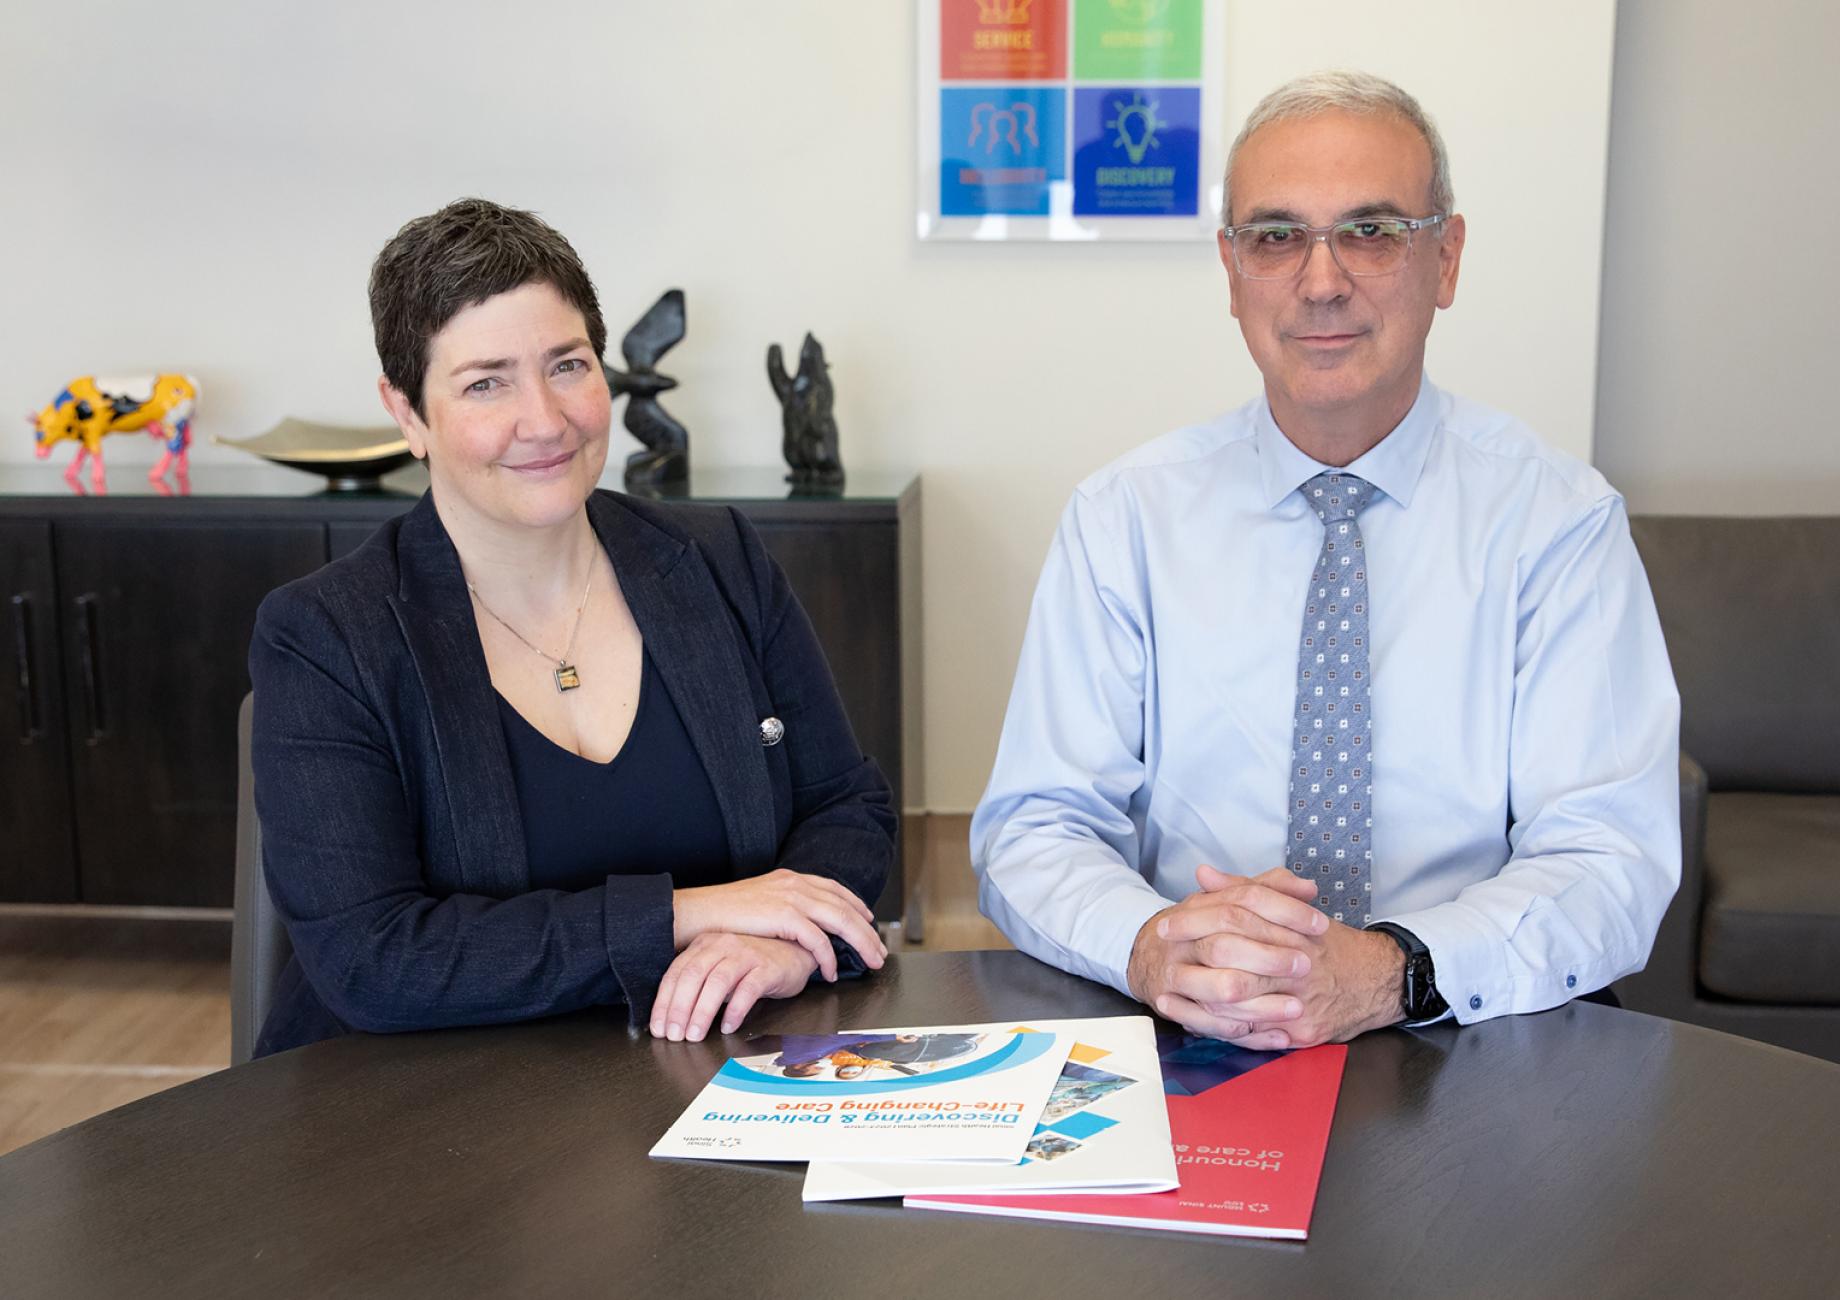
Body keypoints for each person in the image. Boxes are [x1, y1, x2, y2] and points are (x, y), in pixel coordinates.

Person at [972, 71, 1680, 1050]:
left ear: (1447, 259)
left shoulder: (1558, 521)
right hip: (1187, 1024)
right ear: (1231, 270)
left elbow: (1608, 855)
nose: (1319, 280)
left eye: (1371, 230)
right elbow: (1034, 825)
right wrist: (1149, 942)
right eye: (1275, 237)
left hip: (1473, 1025)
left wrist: (1391, 968)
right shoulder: (1123, 517)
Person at [249, 199, 893, 1057]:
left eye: (567, 365)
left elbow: (846, 808)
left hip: (713, 1076)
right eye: (486, 382)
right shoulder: (326, 636)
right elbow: (376, 961)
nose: (546, 421)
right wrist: (684, 915)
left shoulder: (719, 560)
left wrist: (774, 942)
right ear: (407, 413)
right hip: (417, 1120)